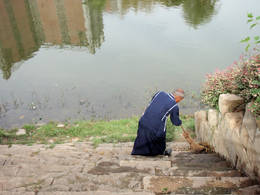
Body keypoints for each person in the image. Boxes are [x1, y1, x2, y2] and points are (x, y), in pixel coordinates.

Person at [131, 89, 184, 156]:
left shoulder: (160, 93)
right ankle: (159, 152)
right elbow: (175, 121)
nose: (178, 102)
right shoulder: (174, 105)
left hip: (143, 121)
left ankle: (138, 152)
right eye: (180, 100)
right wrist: (180, 122)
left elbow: (153, 102)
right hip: (155, 127)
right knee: (160, 135)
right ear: (178, 98)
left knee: (142, 138)